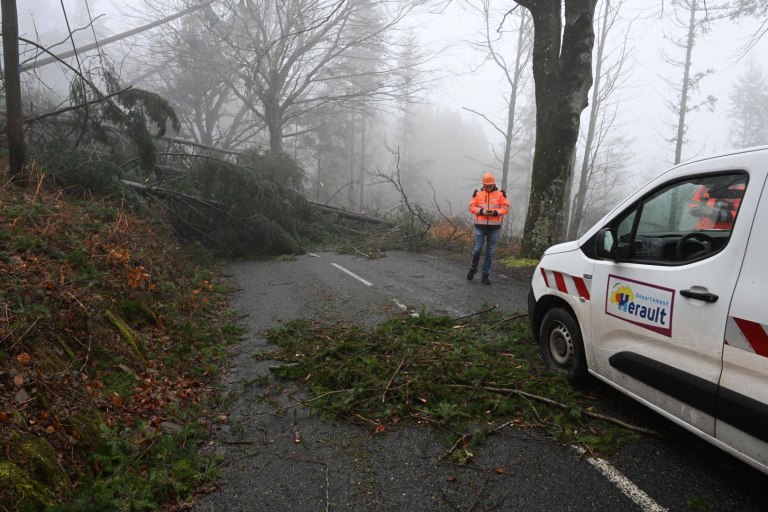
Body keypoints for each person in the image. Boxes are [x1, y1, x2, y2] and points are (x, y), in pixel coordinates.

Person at [467, 172, 510, 284]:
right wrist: (481, 211)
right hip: (480, 227)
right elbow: (471, 207)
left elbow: (505, 208)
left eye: (489, 186)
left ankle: (485, 275)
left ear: (493, 184)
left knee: (490, 252)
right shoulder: (478, 194)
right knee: (477, 250)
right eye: (486, 186)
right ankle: (473, 268)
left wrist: (495, 212)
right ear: (483, 184)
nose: (487, 188)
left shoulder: (500, 195)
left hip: (494, 228)